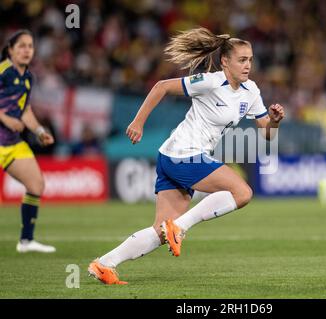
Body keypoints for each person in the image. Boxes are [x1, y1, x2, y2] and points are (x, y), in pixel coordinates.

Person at [88, 27, 285, 284]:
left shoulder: (251, 91)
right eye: (242, 59)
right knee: (243, 192)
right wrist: (138, 122)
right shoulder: (211, 82)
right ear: (225, 61)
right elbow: (161, 87)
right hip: (184, 154)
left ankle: (104, 264)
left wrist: (275, 121)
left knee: (160, 231)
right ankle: (180, 227)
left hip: (173, 157)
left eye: (250, 59)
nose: (248, 65)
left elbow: (266, 134)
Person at [0, 29, 56, 252]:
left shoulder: (28, 78)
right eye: (21, 46)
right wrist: (5, 118)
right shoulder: (3, 71)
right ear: (10, 50)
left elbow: (24, 111)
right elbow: (11, 115)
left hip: (12, 143)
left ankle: (26, 241)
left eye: (30, 46)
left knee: (36, 185)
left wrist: (39, 131)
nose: (26, 50)